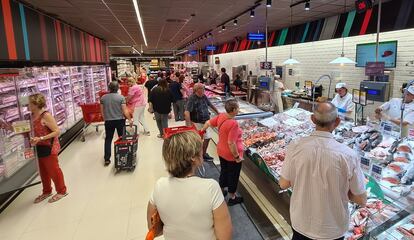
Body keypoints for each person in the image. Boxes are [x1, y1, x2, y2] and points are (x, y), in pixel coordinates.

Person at [279, 102, 367, 240]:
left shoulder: (295, 146)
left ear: (313, 119)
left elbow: (283, 184)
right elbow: (361, 199)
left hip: (301, 224)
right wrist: (342, 189)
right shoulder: (349, 155)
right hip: (332, 230)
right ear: (337, 122)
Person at [147, 131, 232, 240]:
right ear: (193, 157)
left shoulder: (159, 185)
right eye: (200, 148)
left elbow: (153, 228)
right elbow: (224, 237)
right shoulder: (210, 188)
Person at [201, 99, 244, 206]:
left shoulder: (221, 116)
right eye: (238, 108)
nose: (238, 110)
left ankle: (221, 190)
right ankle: (232, 197)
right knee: (233, 175)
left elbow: (208, 122)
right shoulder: (233, 123)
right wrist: (237, 156)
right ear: (233, 110)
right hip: (231, 155)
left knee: (224, 171)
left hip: (221, 151)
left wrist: (201, 132)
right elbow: (231, 143)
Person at [29, 93, 68, 203]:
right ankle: (46, 191)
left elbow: (56, 131)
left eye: (30, 103)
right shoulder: (31, 116)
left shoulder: (45, 115)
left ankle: (62, 191)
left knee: (54, 170)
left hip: (49, 147)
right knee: (43, 171)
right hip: (38, 147)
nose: (28, 105)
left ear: (36, 104)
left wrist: (41, 138)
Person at [100, 81, 133, 166]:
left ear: (109, 88)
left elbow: (102, 111)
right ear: (118, 88)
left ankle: (107, 159)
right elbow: (125, 110)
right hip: (119, 121)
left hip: (108, 121)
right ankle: (123, 155)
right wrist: (129, 119)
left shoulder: (103, 98)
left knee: (108, 139)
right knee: (122, 138)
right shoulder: (121, 98)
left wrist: (106, 119)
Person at [185, 83, 219, 161]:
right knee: (197, 140)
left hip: (206, 122)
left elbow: (210, 104)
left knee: (207, 138)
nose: (204, 90)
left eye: (203, 88)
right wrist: (189, 125)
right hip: (196, 123)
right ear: (197, 90)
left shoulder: (204, 96)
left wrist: (218, 112)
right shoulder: (192, 98)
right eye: (202, 89)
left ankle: (203, 154)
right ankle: (196, 155)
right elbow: (187, 112)